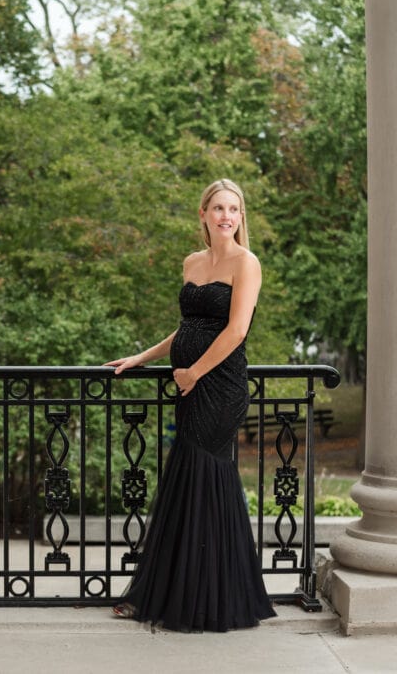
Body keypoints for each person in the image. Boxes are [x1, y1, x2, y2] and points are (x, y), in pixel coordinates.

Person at [105, 178, 276, 632]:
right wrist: (143, 356)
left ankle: (210, 600)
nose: (226, 216)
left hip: (219, 388)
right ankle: (171, 593)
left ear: (241, 217)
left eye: (234, 209)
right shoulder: (192, 262)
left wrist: (194, 371)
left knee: (204, 478)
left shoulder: (247, 263)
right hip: (189, 385)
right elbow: (187, 327)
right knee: (187, 480)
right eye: (218, 208)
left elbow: (237, 330)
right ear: (202, 214)